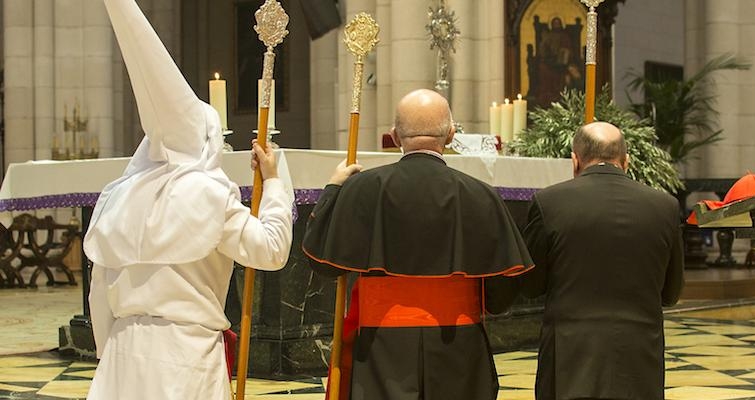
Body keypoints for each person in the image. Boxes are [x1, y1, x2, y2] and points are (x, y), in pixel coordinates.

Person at [83, 0, 293, 398]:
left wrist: (109, 352)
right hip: (186, 357)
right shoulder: (209, 195)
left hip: (123, 355)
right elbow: (270, 250)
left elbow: (99, 293)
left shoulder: (118, 196)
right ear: (209, 140)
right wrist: (274, 181)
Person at [303, 89, 534, 400]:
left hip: (381, 347)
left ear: (395, 136)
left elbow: (321, 261)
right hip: (458, 346)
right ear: (451, 135)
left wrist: (334, 187)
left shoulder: (362, 188)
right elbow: (501, 293)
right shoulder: (481, 195)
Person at [522, 121, 684, 400]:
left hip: (570, 356)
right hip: (639, 353)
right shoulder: (664, 206)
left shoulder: (549, 203)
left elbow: (531, 284)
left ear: (575, 161)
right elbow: (671, 293)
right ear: (626, 161)